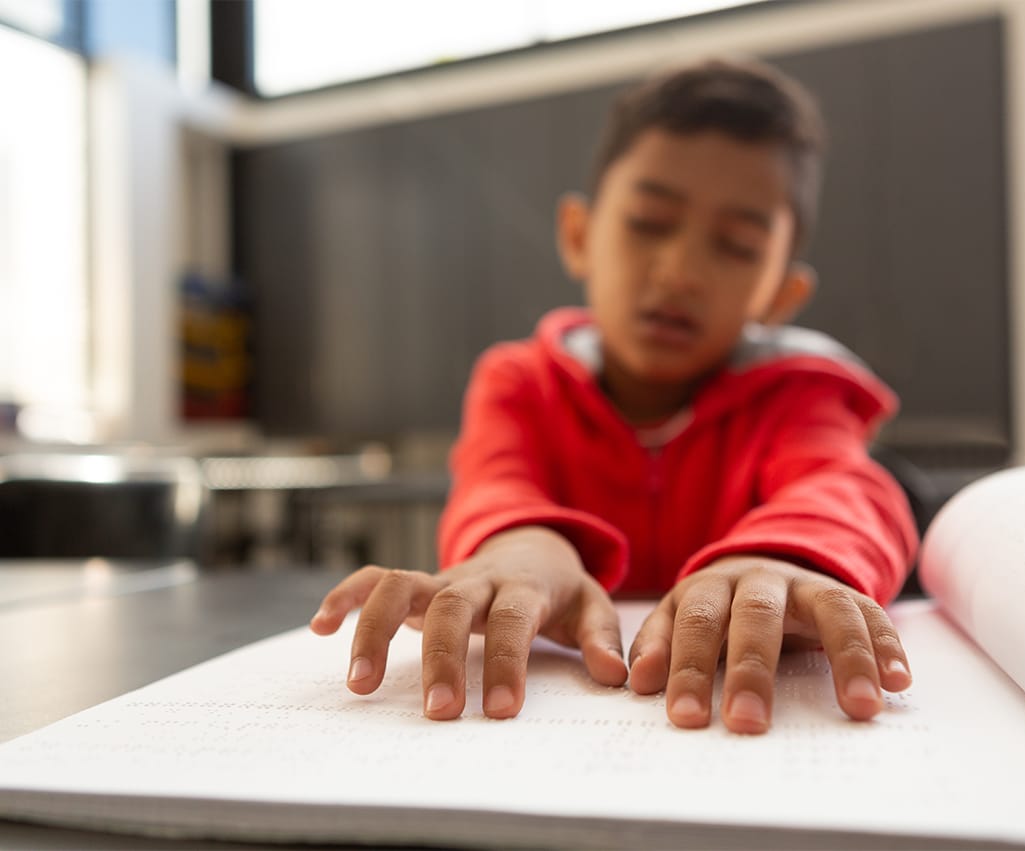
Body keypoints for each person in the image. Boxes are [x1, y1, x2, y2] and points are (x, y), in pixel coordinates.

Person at [311, 57, 919, 735]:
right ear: (579, 236)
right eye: (650, 221)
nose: (680, 271)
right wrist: (521, 545)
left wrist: (786, 559)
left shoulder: (800, 395)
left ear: (780, 296)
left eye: (738, 245)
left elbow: (847, 489)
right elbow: (495, 484)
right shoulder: (519, 383)